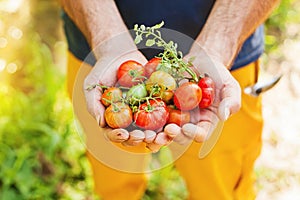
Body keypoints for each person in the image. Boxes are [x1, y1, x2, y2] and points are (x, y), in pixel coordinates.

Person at [60, 0, 280, 199]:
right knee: (113, 181)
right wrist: (107, 39)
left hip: (225, 56)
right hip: (98, 47)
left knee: (220, 185)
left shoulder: (203, 87)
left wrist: (218, 45)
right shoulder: (113, 92)